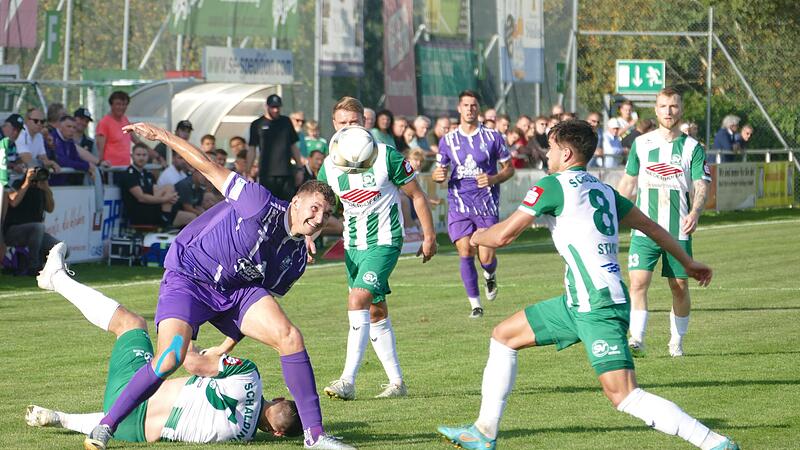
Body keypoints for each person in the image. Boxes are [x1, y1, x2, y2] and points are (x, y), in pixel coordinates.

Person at [436, 119, 739, 450]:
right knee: (503, 336)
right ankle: (484, 431)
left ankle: (713, 442)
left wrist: (475, 236)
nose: (547, 155)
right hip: (577, 302)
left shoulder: (553, 185)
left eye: (551, 148)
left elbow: (504, 235)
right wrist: (688, 261)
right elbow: (652, 227)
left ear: (566, 153)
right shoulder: (604, 190)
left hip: (598, 305)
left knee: (624, 395)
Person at [82, 121, 351, 450]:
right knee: (169, 358)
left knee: (290, 337)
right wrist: (163, 136)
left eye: (326, 213)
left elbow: (257, 302)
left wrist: (225, 346)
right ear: (296, 202)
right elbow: (208, 166)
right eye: (315, 208)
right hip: (190, 275)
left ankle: (315, 435)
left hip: (234, 290)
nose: (320, 218)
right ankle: (105, 426)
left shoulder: (296, 259)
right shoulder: (258, 201)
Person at [30, 244, 303, 443]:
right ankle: (60, 418)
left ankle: (57, 278)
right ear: (276, 434)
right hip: (133, 433)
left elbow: (189, 361)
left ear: (280, 398)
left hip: (133, 398)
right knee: (148, 411)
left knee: (131, 324)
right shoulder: (241, 438)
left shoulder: (248, 375)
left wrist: (200, 339)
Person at [318, 96, 437, 401]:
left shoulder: (386, 155)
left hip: (385, 240)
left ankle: (347, 381)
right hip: (353, 245)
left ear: (365, 123)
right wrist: (309, 234)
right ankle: (397, 383)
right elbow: (321, 205)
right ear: (334, 125)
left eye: (354, 122)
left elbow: (417, 195)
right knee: (374, 310)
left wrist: (429, 236)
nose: (349, 127)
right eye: (343, 123)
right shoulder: (329, 164)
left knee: (357, 298)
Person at [617, 88, 711, 358]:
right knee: (637, 283)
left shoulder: (692, 147)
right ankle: (637, 339)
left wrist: (695, 212)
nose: (668, 111)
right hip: (644, 228)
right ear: (656, 110)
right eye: (663, 106)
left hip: (677, 228)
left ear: (681, 109)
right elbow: (628, 182)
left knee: (679, 286)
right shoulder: (641, 144)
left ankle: (676, 342)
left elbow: (701, 184)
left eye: (673, 106)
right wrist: (613, 211)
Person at [432, 90, 514, 318]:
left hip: (486, 203)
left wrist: (494, 179)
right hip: (459, 202)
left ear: (478, 109)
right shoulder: (447, 140)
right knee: (465, 250)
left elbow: (509, 169)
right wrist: (437, 176)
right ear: (459, 109)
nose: (469, 109)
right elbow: (439, 172)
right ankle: (475, 305)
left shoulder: (493, 137)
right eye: (466, 105)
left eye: (474, 105)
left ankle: (490, 274)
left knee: (486, 257)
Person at [118, 143, 194, 229]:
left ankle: (166, 219)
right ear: (132, 156)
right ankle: (165, 222)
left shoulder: (148, 174)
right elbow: (141, 198)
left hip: (154, 208)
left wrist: (170, 197)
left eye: (144, 155)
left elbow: (156, 192)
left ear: (148, 157)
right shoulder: (129, 174)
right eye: (138, 155)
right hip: (139, 213)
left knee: (192, 217)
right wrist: (166, 199)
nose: (141, 158)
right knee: (169, 189)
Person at [247, 94, 305, 202]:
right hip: (266, 174)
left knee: (287, 205)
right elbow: (252, 149)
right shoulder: (257, 124)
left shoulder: (286, 122)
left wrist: (300, 169)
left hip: (286, 173)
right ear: (266, 107)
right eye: (273, 107)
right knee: (268, 204)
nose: (275, 110)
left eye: (278, 107)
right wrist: (247, 171)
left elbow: (293, 146)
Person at [3, 167, 60, 274]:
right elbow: (13, 202)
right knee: (38, 227)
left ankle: (47, 267)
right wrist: (27, 182)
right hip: (13, 231)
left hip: (36, 234)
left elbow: (50, 208)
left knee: (61, 249)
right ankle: (33, 266)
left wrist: (46, 189)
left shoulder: (41, 188)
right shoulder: (18, 184)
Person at [0, 113, 25, 259]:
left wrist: (19, 164)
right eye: (14, 128)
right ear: (6, 125)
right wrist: (13, 165)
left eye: (19, 130)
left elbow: (15, 160)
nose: (16, 132)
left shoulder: (12, 144)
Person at [96, 91, 141, 167]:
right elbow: (100, 149)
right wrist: (101, 164)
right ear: (111, 105)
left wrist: (156, 156)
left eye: (124, 104)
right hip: (111, 168)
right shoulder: (104, 123)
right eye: (118, 104)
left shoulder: (125, 120)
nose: (121, 107)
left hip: (125, 167)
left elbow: (137, 141)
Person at [50, 115, 96, 185]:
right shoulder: (52, 138)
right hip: (51, 183)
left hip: (63, 182)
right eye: (68, 126)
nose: (72, 130)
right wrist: (86, 166)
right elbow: (62, 161)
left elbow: (75, 158)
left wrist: (89, 165)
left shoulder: (69, 140)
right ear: (60, 127)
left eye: (74, 127)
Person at [16, 108, 61, 173]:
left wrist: (49, 163)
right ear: (26, 121)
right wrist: (51, 163)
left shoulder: (39, 136)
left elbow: (44, 159)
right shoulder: (20, 133)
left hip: (26, 174)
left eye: (42, 121)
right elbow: (28, 161)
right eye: (35, 121)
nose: (39, 124)